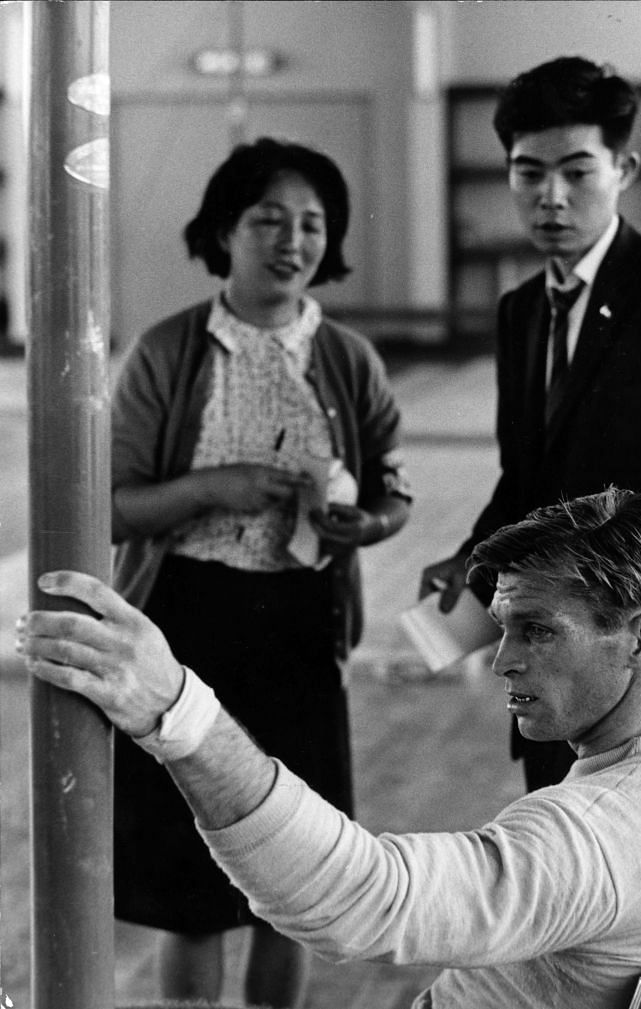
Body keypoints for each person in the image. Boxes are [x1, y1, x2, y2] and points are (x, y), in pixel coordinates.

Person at [18, 488, 641, 1009]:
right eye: (503, 626)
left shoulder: (599, 837)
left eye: (538, 629)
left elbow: (365, 898)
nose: (501, 659)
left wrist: (173, 709)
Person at [108, 136, 412, 1006]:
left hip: (301, 626)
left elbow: (395, 484)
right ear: (223, 231)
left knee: (296, 873)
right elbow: (112, 504)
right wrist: (214, 488)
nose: (293, 239)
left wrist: (372, 520)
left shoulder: (348, 357)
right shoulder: (169, 352)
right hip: (185, 622)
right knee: (191, 887)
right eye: (268, 219)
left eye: (313, 223)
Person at [419, 55, 641, 793]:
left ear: (625, 168)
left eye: (577, 172)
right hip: (557, 638)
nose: (550, 197)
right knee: (560, 833)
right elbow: (527, 477)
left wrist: (619, 606)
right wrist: (474, 558)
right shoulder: (521, 313)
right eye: (527, 172)